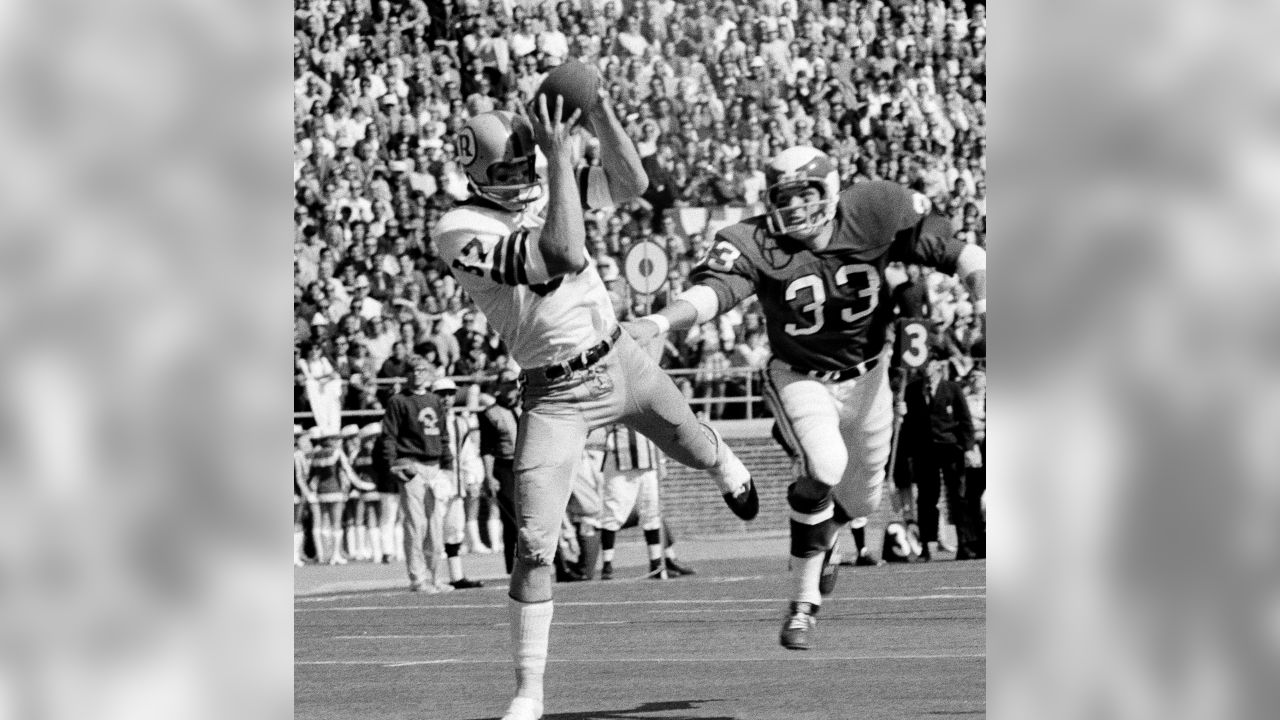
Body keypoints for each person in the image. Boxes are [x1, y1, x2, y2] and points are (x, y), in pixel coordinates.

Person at [433, 91, 757, 720]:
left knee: (691, 443)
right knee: (533, 543)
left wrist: (601, 109)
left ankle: (722, 461)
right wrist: (558, 164)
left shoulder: (542, 181)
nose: (523, 175)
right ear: (474, 174)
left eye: (529, 162)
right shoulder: (458, 229)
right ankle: (529, 691)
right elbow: (563, 254)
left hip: (619, 359)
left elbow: (632, 182)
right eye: (508, 169)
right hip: (553, 392)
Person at [625, 146, 987, 651]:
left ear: (831, 190)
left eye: (805, 193)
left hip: (870, 377)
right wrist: (659, 321)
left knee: (861, 502)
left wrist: (984, 290)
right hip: (799, 374)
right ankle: (803, 601)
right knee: (824, 465)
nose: (794, 207)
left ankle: (827, 533)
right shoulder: (752, 239)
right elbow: (715, 292)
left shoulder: (875, 209)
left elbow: (957, 252)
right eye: (783, 196)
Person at [380, 356, 458, 592]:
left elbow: (443, 434)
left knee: (435, 525)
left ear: (428, 373)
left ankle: (434, 576)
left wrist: (448, 465)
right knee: (416, 524)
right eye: (413, 370)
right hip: (411, 462)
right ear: (407, 374)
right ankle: (417, 577)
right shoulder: (398, 401)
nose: (417, 374)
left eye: (422, 370)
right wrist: (394, 463)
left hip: (434, 465)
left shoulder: (434, 399)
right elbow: (389, 435)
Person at [901, 341, 974, 562]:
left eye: (929, 363)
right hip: (925, 452)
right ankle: (926, 545)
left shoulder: (952, 389)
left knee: (957, 497)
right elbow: (909, 426)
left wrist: (968, 447)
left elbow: (965, 421)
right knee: (926, 499)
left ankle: (964, 543)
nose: (925, 368)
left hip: (950, 449)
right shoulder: (912, 390)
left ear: (937, 365)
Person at [594, 424, 696, 580]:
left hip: (649, 460)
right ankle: (607, 566)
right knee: (613, 512)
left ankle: (656, 564)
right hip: (619, 461)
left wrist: (661, 462)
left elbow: (657, 428)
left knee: (652, 512)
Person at [430, 377, 486, 589]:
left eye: (449, 394)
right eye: (441, 394)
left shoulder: (459, 422)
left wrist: (471, 478)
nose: (446, 398)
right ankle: (431, 576)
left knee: (454, 529)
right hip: (435, 483)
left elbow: (467, 454)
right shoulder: (429, 420)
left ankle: (457, 575)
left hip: (454, 484)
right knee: (433, 531)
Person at [478, 370, 520, 574]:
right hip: (505, 467)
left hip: (529, 466)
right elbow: (487, 449)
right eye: (507, 383)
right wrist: (489, 476)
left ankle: (558, 565)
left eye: (514, 382)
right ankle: (512, 567)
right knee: (512, 517)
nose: (512, 386)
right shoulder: (490, 413)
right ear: (499, 387)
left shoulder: (527, 407)